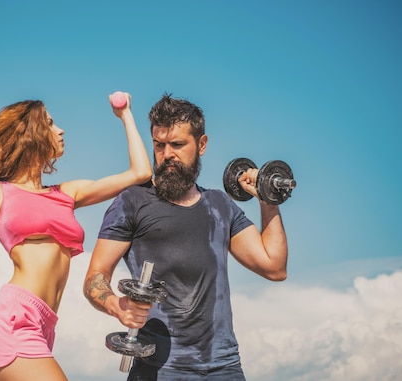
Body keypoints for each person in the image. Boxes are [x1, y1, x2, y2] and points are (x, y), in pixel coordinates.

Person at [0, 94, 151, 381]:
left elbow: (140, 173)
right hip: (13, 321)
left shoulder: (66, 193)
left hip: (44, 324)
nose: (60, 130)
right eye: (50, 124)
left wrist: (126, 114)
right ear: (29, 135)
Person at [83, 93, 289, 380]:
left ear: (201, 145)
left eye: (178, 145)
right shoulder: (131, 201)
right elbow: (96, 275)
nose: (167, 154)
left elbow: (274, 267)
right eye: (159, 145)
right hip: (159, 369)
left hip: (224, 368)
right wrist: (115, 305)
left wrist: (268, 199)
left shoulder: (220, 206)